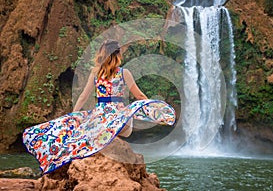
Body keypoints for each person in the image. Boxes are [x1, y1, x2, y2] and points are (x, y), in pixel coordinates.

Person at [23, 39, 176, 174]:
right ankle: (112, 135)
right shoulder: (124, 73)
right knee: (129, 120)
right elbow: (140, 97)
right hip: (119, 122)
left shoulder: (95, 73)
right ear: (118, 54)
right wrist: (156, 113)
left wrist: (74, 116)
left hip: (99, 120)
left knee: (84, 130)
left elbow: (83, 96)